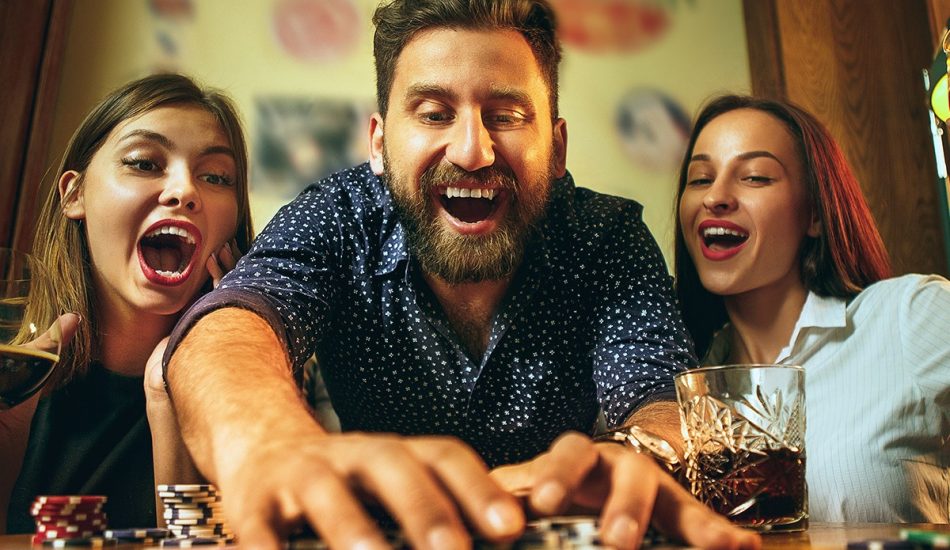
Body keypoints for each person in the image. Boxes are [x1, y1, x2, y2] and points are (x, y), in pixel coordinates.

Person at [161, 1, 761, 550]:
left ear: (557, 148)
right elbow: (228, 326)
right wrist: (269, 441)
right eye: (434, 113)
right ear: (379, 144)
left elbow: (662, 398)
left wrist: (639, 452)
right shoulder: (336, 218)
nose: (472, 151)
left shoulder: (606, 237)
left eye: (506, 115)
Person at [674, 94, 950, 523]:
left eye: (755, 177)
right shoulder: (678, 386)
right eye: (700, 179)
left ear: (815, 215)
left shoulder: (907, 315)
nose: (716, 196)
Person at [1, 73, 253, 533]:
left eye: (216, 176)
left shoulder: (261, 386)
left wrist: (172, 395)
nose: (185, 191)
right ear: (75, 194)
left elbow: (204, 544)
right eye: (143, 163)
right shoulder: (16, 378)